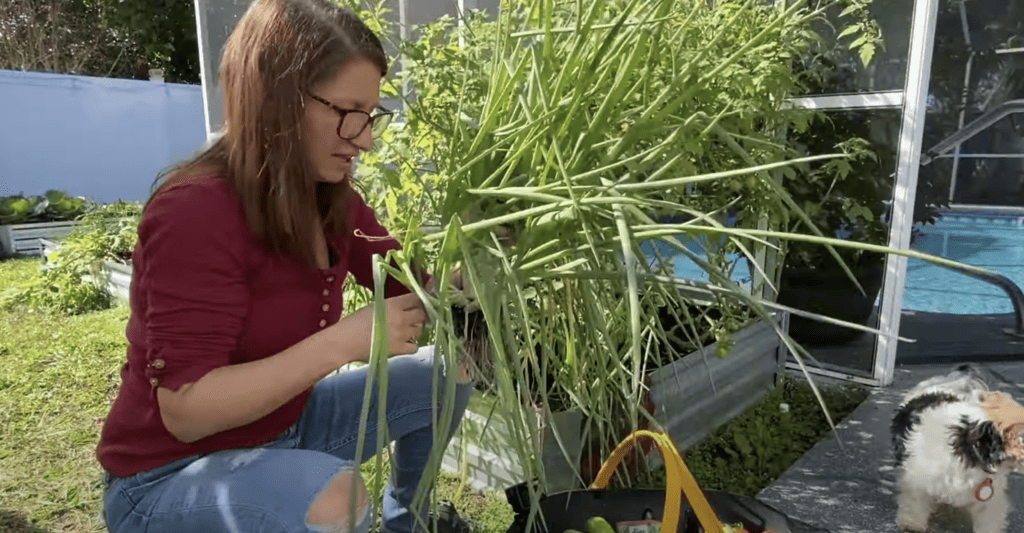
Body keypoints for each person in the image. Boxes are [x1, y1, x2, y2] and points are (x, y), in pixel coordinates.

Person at [94, 1, 473, 532]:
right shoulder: (196, 211)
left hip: (283, 428)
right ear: (276, 102)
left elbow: (411, 289)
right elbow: (186, 412)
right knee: (335, 499)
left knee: (449, 373)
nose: (364, 138)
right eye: (347, 112)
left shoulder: (330, 198)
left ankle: (408, 522)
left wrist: (478, 267)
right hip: (169, 475)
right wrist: (344, 341)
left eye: (371, 114)